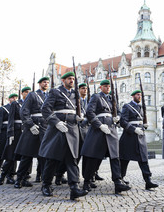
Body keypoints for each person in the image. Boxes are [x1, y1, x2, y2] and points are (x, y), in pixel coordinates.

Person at [38, 71, 88, 200]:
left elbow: (81, 109)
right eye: (69, 79)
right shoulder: (55, 92)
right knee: (52, 158)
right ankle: (46, 185)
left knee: (72, 159)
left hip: (72, 128)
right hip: (58, 129)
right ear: (63, 81)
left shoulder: (76, 94)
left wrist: (80, 116)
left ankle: (74, 188)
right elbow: (45, 109)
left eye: (72, 79)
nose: (71, 81)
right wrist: (56, 122)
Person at [81, 79, 130, 194]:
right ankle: (87, 181)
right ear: (101, 87)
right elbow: (90, 112)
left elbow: (118, 111)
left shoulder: (112, 99)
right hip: (99, 130)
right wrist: (99, 125)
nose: (108, 88)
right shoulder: (96, 97)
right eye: (105, 86)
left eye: (109, 86)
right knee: (93, 157)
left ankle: (118, 182)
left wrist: (117, 117)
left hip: (111, 130)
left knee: (115, 157)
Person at [119, 90, 158, 190]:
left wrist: (144, 126)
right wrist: (134, 129)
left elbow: (140, 121)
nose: (139, 96)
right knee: (124, 159)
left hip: (140, 136)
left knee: (143, 159)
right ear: (133, 96)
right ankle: (120, 179)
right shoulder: (127, 106)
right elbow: (123, 121)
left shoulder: (141, 107)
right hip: (129, 137)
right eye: (137, 95)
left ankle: (148, 181)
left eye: (140, 95)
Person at [15, 77, 49, 188]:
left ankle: (45, 182)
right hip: (33, 127)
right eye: (44, 82)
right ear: (39, 84)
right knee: (27, 155)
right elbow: (24, 111)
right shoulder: (32, 95)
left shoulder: (49, 96)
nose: (46, 84)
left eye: (47, 82)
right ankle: (19, 179)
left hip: (45, 127)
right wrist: (30, 125)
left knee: (44, 156)